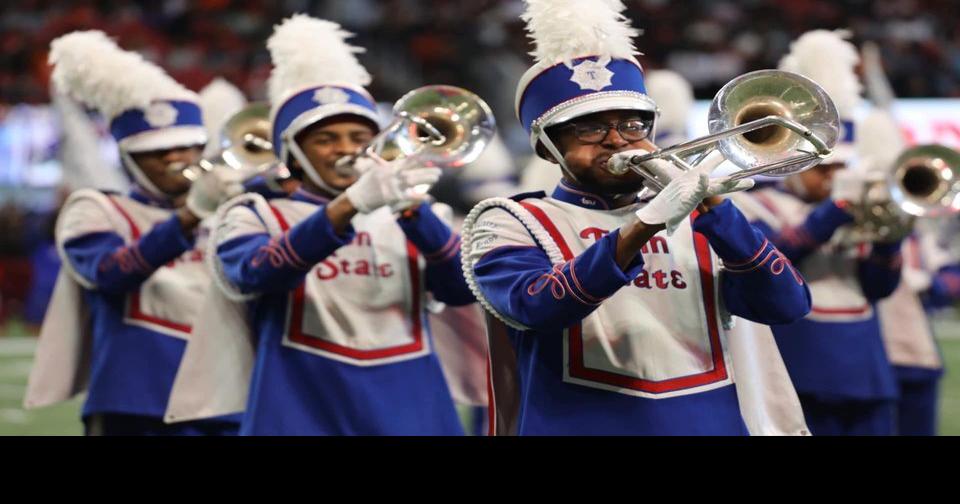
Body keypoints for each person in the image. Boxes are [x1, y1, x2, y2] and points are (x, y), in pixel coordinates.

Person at [460, 0, 812, 436]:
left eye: (632, 125)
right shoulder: (510, 219)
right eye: (589, 128)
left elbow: (787, 304)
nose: (616, 141)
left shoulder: (698, 218)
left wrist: (721, 215)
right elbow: (536, 305)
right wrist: (643, 224)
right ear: (546, 147)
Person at [206, 14, 475, 435]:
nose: (345, 150)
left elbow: (461, 290)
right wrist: (350, 204)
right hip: (301, 403)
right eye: (326, 139)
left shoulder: (414, 215)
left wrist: (414, 211)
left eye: (357, 137)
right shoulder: (254, 213)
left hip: (410, 404)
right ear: (294, 154)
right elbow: (254, 275)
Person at [24, 31, 244, 435]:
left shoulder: (231, 209)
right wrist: (191, 215)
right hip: (138, 398)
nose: (175, 159)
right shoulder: (96, 209)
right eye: (157, 152)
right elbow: (111, 274)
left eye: (186, 148)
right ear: (129, 157)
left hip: (224, 395)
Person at [730, 30, 904, 436]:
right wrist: (832, 214)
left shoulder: (857, 210)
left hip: (864, 362)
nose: (832, 178)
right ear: (793, 162)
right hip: (798, 357)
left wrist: (891, 235)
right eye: (822, 168)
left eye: (840, 169)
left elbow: (879, 286)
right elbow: (769, 263)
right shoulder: (758, 204)